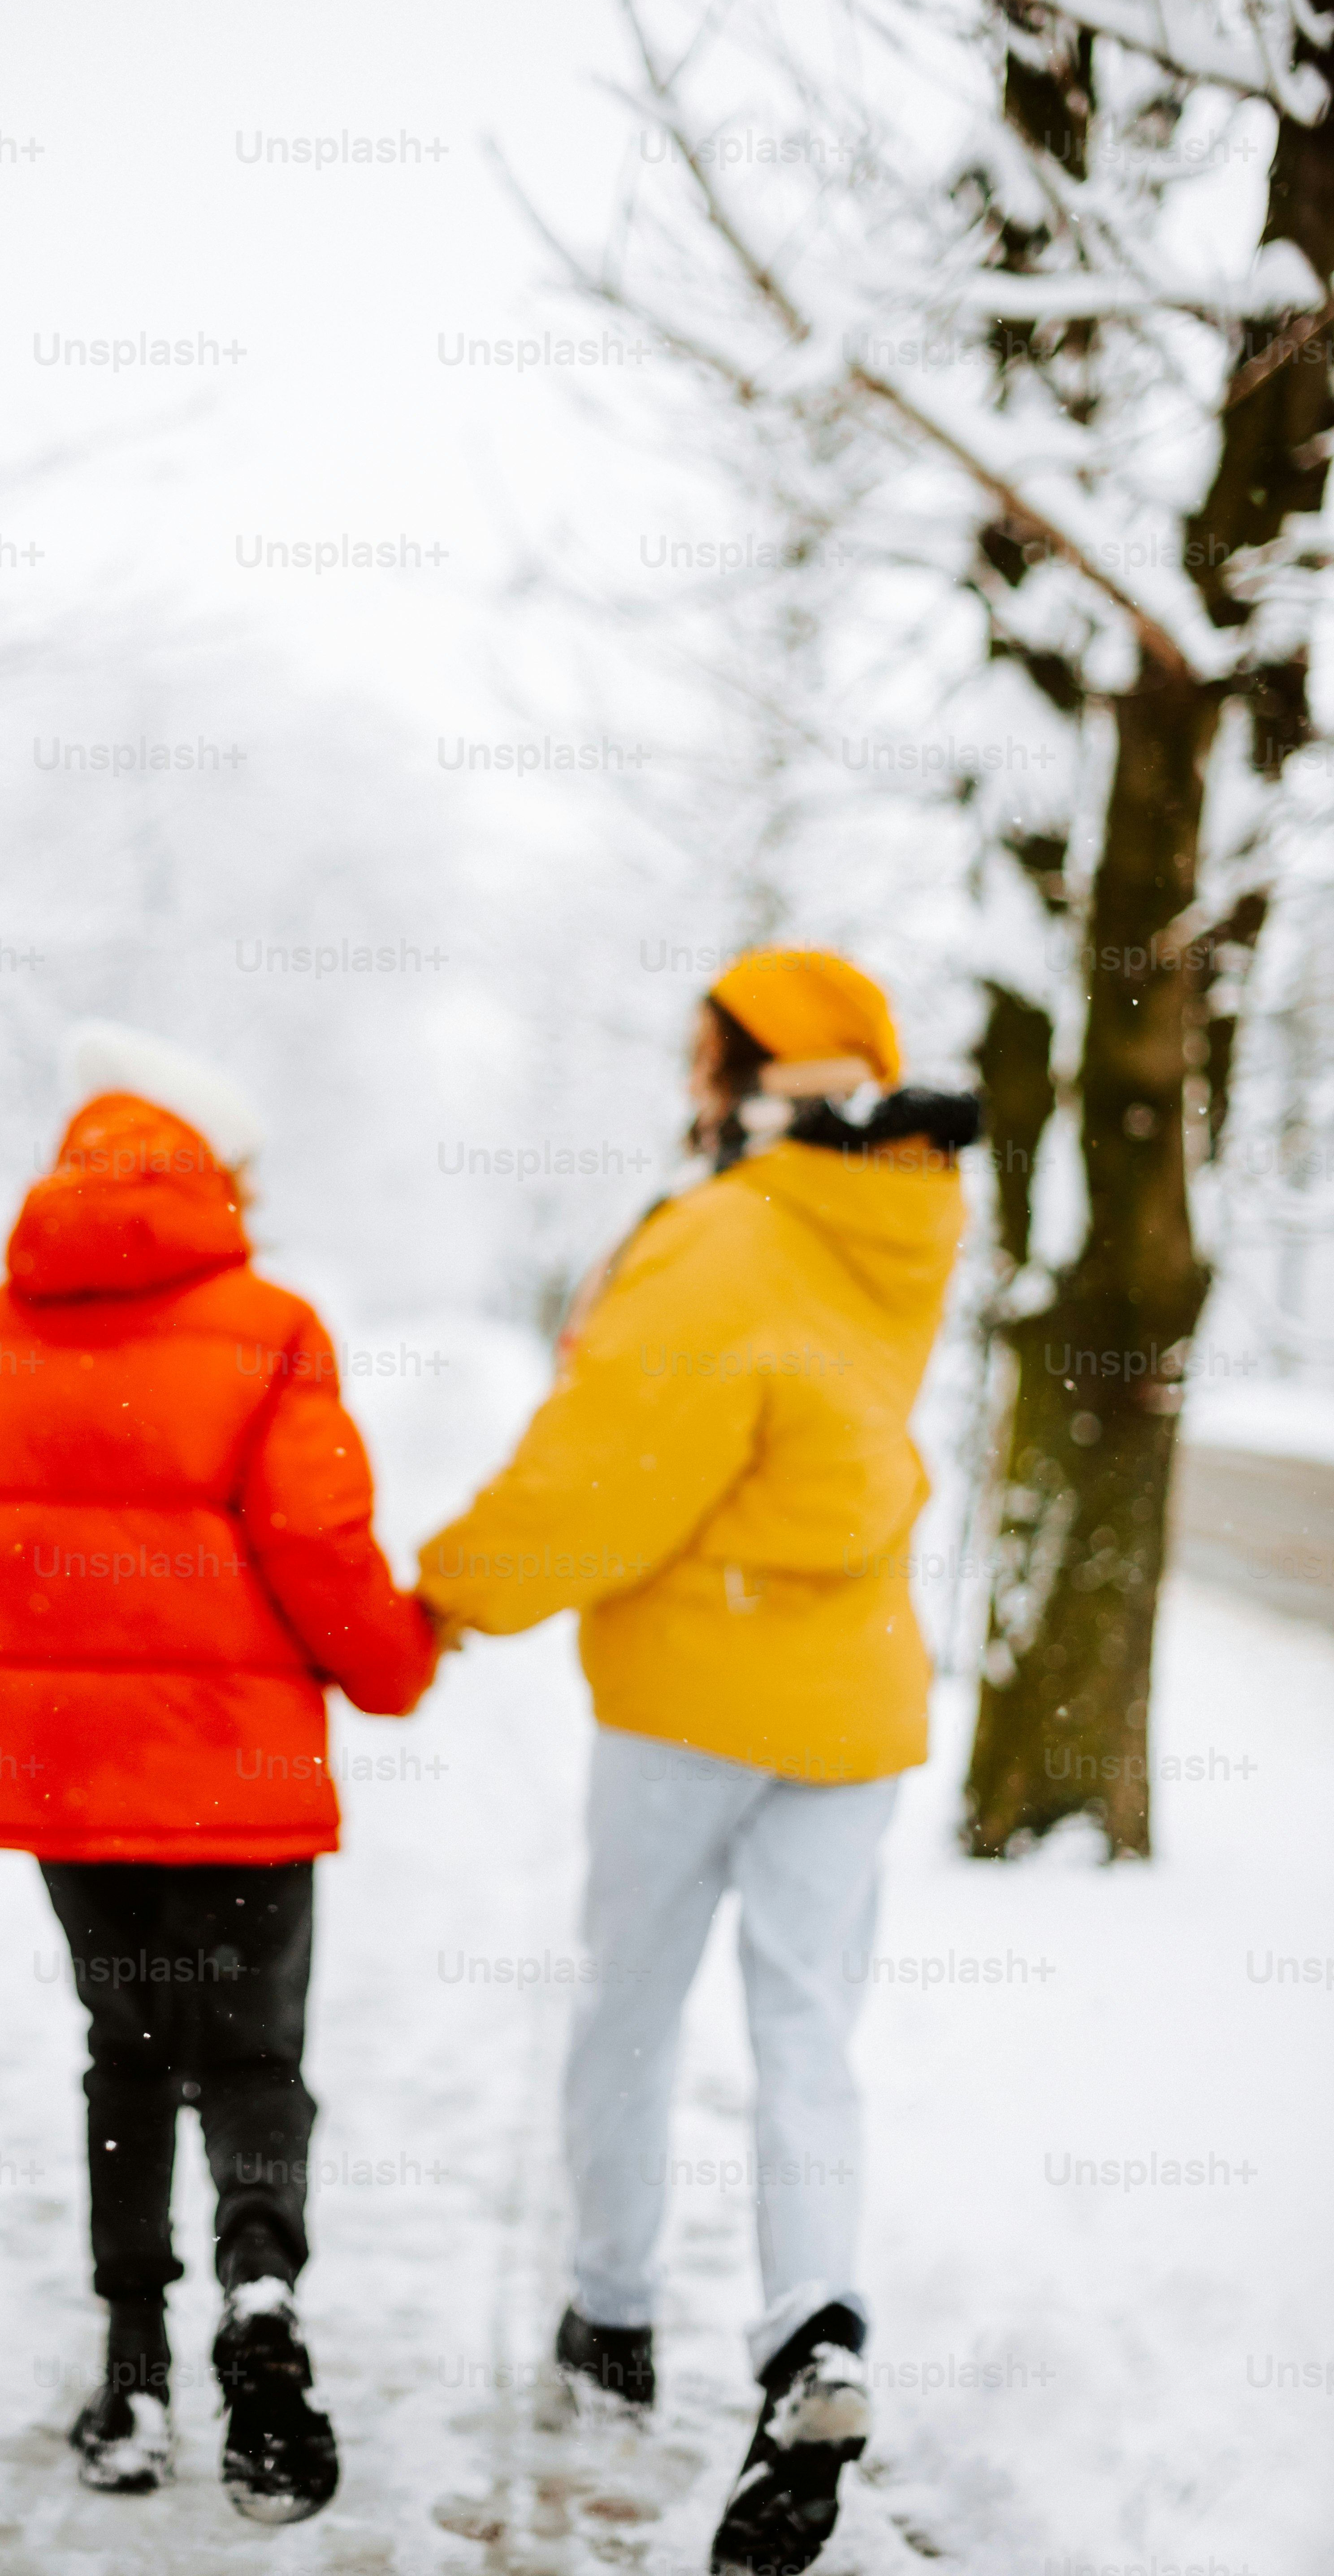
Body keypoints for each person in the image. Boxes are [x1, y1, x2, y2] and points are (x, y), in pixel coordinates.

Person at [0, 1022, 437, 2524]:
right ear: (214, 1174)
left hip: (67, 1785)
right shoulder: (272, 1328)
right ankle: (260, 2292)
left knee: (127, 2054)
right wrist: (394, 1668)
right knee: (251, 2059)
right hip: (241, 1782)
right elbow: (321, 1548)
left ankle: (131, 2373)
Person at [416, 950, 976, 2576]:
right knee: (808, 2032)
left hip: (691, 1696)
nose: (683, 1082)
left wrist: (453, 1592)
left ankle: (611, 2318)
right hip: (852, 1699)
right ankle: (816, 2331)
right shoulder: (903, 1217)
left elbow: (609, 1468)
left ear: (753, 1072)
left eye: (702, 1056)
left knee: (632, 2009)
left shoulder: (730, 1236)